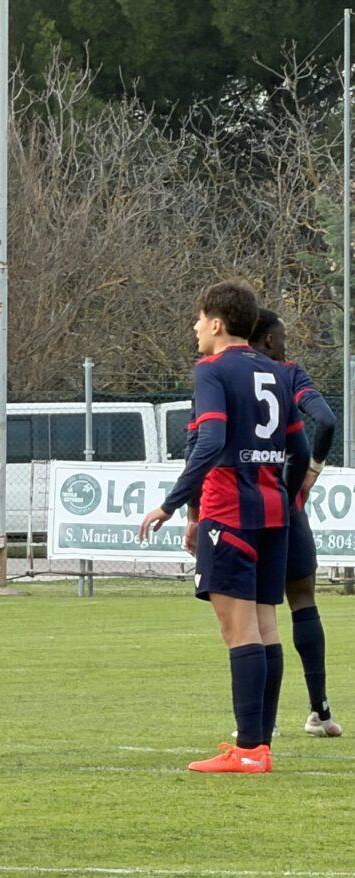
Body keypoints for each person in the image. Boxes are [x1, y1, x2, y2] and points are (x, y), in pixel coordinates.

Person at [139, 280, 308, 773]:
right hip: (273, 513)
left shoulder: (212, 370)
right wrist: (287, 497)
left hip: (230, 510)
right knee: (265, 626)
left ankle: (249, 750)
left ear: (216, 323)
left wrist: (172, 504)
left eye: (199, 318)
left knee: (239, 630)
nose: (195, 327)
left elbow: (210, 440)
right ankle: (259, 746)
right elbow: (298, 449)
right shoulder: (277, 371)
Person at [247, 308, 341, 737]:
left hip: (245, 506)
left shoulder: (224, 373)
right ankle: (320, 711)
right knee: (303, 600)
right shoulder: (288, 374)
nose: (287, 347)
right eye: (283, 338)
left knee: (252, 614)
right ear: (269, 340)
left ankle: (254, 722)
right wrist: (309, 475)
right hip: (287, 504)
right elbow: (326, 420)